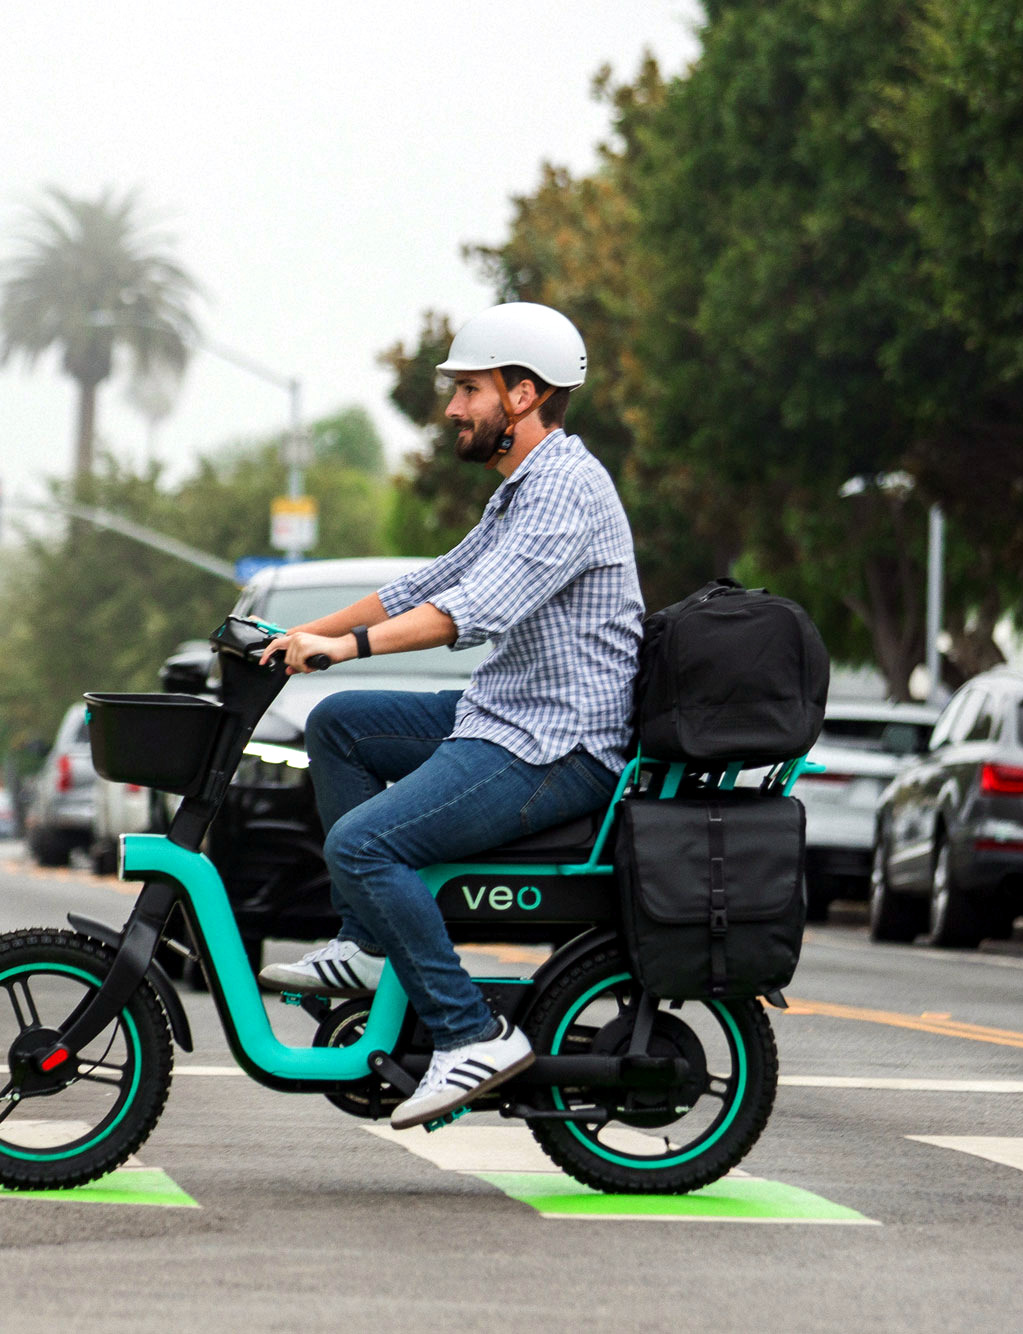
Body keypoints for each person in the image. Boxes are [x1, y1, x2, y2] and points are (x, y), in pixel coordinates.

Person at [255, 302, 643, 1130]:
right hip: (502, 714)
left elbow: (477, 610)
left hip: (556, 747)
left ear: (525, 394)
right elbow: (427, 583)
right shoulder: (521, 490)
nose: (453, 408)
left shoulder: (567, 490)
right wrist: (297, 634)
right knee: (339, 726)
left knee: (363, 843)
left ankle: (472, 1034)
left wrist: (346, 647)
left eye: (468, 389)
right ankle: (366, 945)